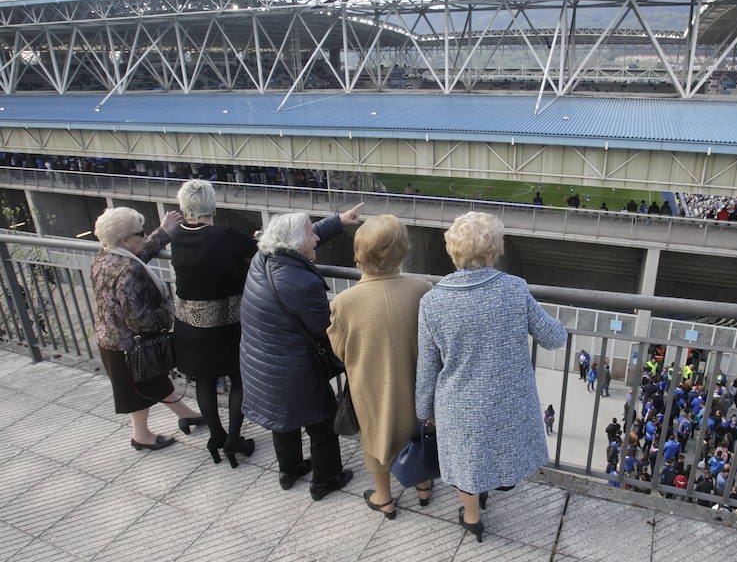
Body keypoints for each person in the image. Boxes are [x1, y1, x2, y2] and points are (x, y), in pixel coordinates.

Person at [416, 211, 567, 543]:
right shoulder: (513, 289)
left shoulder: (432, 301)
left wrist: (423, 411)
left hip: (458, 405)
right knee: (498, 450)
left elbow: (428, 367)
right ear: (493, 251)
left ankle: (472, 517)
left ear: (453, 252)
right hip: (506, 402)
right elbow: (553, 338)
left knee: (465, 460)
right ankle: (493, 484)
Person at [240, 204, 362, 499]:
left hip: (261, 362)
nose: (316, 239)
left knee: (283, 419)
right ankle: (326, 479)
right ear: (296, 245)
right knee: (321, 423)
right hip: (292, 368)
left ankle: (289, 469)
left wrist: (338, 221)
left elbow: (293, 235)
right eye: (311, 235)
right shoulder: (302, 282)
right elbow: (324, 329)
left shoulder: (263, 256)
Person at [326, 214, 432, 519]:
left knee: (376, 438)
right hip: (415, 383)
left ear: (359, 252)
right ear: (402, 251)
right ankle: (423, 486)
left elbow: (340, 350)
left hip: (370, 386)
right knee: (417, 433)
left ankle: (384, 499)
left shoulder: (345, 301)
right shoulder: (421, 289)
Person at [90, 207, 203, 450]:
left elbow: (140, 253)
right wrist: (171, 313)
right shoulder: (130, 269)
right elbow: (139, 320)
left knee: (153, 382)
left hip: (110, 339)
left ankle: (187, 414)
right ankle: (141, 436)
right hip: (129, 346)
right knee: (139, 391)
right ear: (124, 240)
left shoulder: (105, 255)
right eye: (140, 232)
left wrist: (162, 233)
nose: (144, 236)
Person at [171, 180, 258, 467]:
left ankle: (217, 436)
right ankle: (234, 439)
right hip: (227, 323)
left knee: (204, 379)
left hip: (189, 324)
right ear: (214, 207)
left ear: (184, 208)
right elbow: (259, 251)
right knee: (238, 378)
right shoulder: (225, 235)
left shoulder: (177, 235)